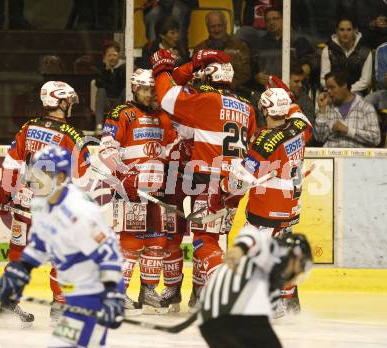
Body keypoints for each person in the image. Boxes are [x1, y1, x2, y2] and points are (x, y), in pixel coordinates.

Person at [150, 48, 257, 309]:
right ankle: (200, 296)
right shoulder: (247, 107)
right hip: (236, 184)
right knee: (213, 237)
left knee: (202, 240)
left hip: (211, 181)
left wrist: (162, 69)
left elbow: (167, 96)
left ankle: (226, 286)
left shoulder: (207, 99)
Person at [0, 145, 124, 347]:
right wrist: (18, 273)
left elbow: (109, 254)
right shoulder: (42, 204)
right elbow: (39, 245)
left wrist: (114, 293)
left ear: (61, 178)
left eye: (43, 174)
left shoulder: (81, 209)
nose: (34, 180)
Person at [0, 81, 91, 325]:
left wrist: (3, 195)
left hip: (25, 203)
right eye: (69, 101)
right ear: (61, 102)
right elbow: (82, 182)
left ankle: (8, 304)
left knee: (19, 254)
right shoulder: (72, 136)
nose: (71, 106)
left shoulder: (28, 127)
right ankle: (59, 310)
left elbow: (11, 165)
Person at [227, 87, 313, 315]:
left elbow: (242, 180)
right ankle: (290, 303)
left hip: (268, 211)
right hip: (291, 209)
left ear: (264, 109)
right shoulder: (298, 127)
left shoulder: (266, 140)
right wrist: (287, 95)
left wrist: (230, 180)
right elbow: (302, 117)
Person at [98, 68, 177, 313]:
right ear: (134, 88)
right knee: (130, 243)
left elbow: (170, 148)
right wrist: (124, 175)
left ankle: (149, 290)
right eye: (145, 89)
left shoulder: (164, 116)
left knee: (158, 241)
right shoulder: (122, 113)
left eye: (153, 89)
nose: (150, 94)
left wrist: (178, 153)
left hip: (158, 188)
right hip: (129, 189)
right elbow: (106, 150)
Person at [199, 230, 313, 348]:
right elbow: (250, 233)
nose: (299, 272)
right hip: (222, 317)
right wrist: (240, 248)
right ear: (297, 256)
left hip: (212, 323)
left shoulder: (275, 282)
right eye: (301, 265)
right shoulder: (273, 250)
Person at [252, 7, 317, 93]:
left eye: (275, 19)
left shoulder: (298, 40)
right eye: (268, 20)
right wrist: (257, 77)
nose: (271, 22)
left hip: (293, 92)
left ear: (284, 19)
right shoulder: (260, 44)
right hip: (266, 92)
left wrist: (299, 75)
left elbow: (312, 62)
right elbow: (251, 67)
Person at [315, 70, 381, 147]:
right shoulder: (327, 106)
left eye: (332, 87)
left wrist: (348, 131)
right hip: (331, 154)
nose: (329, 91)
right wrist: (322, 110)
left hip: (356, 156)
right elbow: (319, 138)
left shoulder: (365, 107)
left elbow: (376, 139)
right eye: (327, 88)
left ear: (344, 85)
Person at [194, 11, 251, 95]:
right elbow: (195, 75)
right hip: (206, 93)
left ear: (225, 25)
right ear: (207, 28)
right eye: (213, 26)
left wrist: (226, 87)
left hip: (233, 92)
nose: (216, 30)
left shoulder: (240, 46)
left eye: (219, 25)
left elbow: (245, 74)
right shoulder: (199, 49)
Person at [320, 17, 372, 95]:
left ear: (355, 31)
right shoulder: (327, 50)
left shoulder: (365, 52)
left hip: (356, 93)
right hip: (333, 92)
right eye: (342, 29)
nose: (345, 33)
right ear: (336, 31)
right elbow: (323, 79)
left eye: (349, 29)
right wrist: (336, 89)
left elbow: (365, 81)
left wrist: (346, 90)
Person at [93, 40, 126, 132]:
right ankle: (99, 126)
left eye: (114, 55)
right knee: (101, 91)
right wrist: (107, 70)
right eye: (109, 55)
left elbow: (120, 87)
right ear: (104, 57)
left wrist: (115, 71)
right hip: (106, 102)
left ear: (119, 55)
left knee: (126, 90)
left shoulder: (123, 69)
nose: (112, 58)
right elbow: (100, 84)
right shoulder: (100, 69)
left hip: (119, 102)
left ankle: (125, 125)